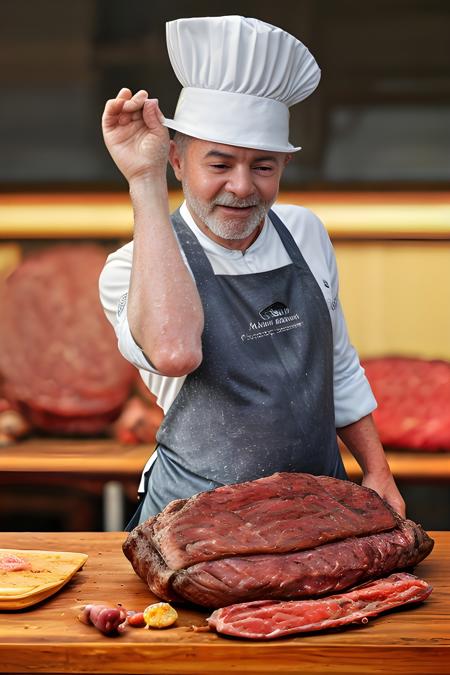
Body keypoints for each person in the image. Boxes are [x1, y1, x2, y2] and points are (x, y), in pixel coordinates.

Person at [99, 16, 405, 528]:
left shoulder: (305, 232)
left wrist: (377, 471)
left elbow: (338, 364)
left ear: (284, 165)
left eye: (263, 166)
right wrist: (143, 179)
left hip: (315, 512)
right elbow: (175, 353)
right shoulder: (130, 267)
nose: (242, 187)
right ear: (177, 159)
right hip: (195, 525)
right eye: (219, 164)